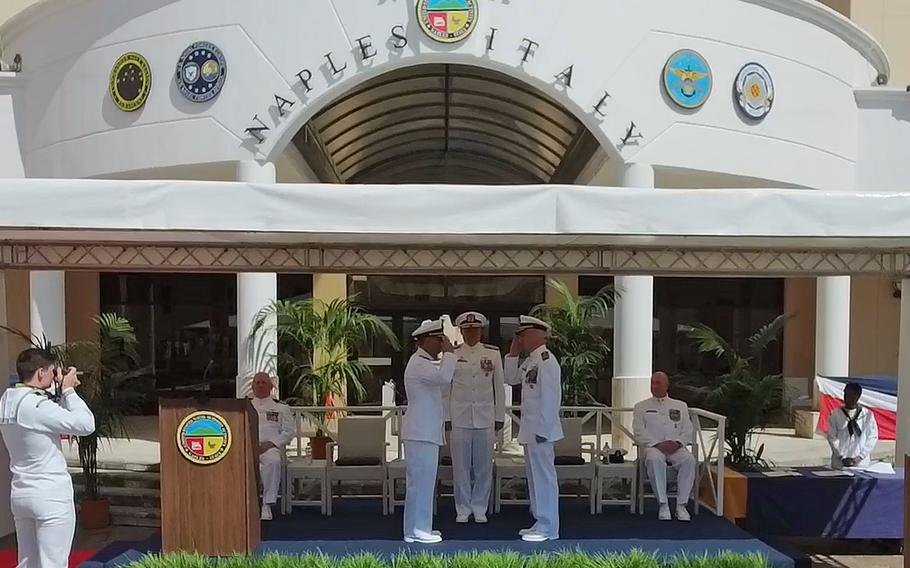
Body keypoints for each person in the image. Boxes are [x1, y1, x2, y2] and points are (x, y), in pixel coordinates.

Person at [0, 348, 95, 568]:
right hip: (50, 496)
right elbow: (86, 425)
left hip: (22, 493)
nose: (55, 377)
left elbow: (49, 418)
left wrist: (58, 391)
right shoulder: (36, 406)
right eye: (52, 372)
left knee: (28, 562)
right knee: (53, 563)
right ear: (41, 373)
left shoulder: (7, 400)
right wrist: (69, 391)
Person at [503, 315, 562, 543]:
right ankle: (540, 520)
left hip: (541, 430)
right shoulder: (532, 361)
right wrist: (513, 353)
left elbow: (550, 399)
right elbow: (510, 379)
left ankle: (549, 527)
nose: (521, 339)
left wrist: (544, 429)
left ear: (536, 334)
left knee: (544, 478)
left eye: (523, 335)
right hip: (531, 430)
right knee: (535, 478)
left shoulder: (547, 361)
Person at [445, 311, 505, 524]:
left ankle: (479, 507)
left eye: (475, 330)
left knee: (483, 466)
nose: (471, 333)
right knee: (460, 467)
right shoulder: (453, 354)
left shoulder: (492, 353)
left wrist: (500, 416)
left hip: (485, 417)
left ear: (481, 331)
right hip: (459, 417)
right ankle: (462, 508)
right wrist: (446, 417)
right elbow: (447, 388)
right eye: (467, 330)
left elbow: (499, 387)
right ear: (461, 331)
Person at [402, 318, 457, 544]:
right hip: (420, 433)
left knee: (423, 483)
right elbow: (445, 378)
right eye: (438, 340)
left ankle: (418, 528)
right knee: (421, 483)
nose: (441, 345)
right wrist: (451, 354)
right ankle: (417, 530)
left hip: (424, 432)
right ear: (425, 341)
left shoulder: (422, 362)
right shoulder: (419, 364)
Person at [633, 371, 695, 522]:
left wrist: (678, 442)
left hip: (676, 447)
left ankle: (681, 505)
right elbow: (638, 431)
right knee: (654, 460)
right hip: (654, 447)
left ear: (667, 385)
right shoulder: (641, 406)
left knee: (689, 460)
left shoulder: (680, 406)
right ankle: (663, 504)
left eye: (658, 383)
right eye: (652, 383)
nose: (654, 386)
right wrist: (657, 444)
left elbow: (688, 429)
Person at [249, 371, 294, 521]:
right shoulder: (244, 407)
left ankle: (266, 505)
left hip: (270, 448)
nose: (260, 386)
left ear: (271, 386)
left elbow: (289, 432)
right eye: (257, 383)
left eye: (264, 383)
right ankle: (243, 504)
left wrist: (272, 443)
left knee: (273, 462)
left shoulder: (281, 408)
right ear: (252, 387)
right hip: (248, 447)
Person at [826, 382, 879, 469]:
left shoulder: (867, 415)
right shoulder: (835, 414)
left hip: (860, 464)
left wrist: (860, 457)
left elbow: (872, 437)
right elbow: (832, 437)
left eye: (852, 395)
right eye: (846, 394)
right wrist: (841, 456)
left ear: (858, 396)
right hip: (840, 464)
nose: (848, 398)